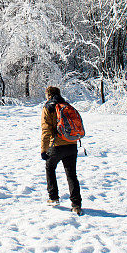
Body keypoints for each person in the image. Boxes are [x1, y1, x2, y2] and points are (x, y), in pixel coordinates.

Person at [40, 86, 83, 215]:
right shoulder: (66, 105)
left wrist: (44, 149)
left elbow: (46, 130)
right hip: (71, 144)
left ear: (48, 95)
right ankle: (76, 205)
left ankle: (53, 197)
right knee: (71, 174)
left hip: (57, 144)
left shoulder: (48, 107)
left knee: (50, 167)